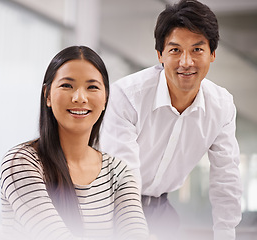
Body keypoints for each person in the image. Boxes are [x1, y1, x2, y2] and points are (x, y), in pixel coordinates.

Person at [100, 1, 242, 240]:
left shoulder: (221, 106)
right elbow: (123, 178)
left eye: (197, 49)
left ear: (212, 54)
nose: (186, 62)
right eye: (175, 50)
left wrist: (226, 234)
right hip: (109, 207)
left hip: (161, 210)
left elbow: (226, 177)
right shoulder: (127, 97)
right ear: (160, 55)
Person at [0, 46, 149, 240]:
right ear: (47, 95)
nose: (80, 97)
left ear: (105, 99)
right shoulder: (22, 162)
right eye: (67, 86)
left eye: (92, 87)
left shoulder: (118, 172)